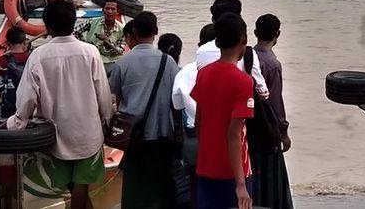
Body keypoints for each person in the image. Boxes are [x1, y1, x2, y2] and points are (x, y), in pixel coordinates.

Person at [8, 0, 112, 209]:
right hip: (88, 135)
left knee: (73, 189)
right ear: (74, 24)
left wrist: (16, 124)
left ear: (48, 27)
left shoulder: (38, 56)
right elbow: (103, 94)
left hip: (55, 137)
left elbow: (27, 98)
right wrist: (107, 120)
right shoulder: (90, 52)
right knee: (80, 188)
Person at [109, 11, 180, 209]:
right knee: (160, 185)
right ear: (156, 32)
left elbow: (117, 97)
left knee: (134, 186)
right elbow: (176, 98)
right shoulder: (169, 62)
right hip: (162, 134)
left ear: (134, 32)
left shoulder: (122, 63)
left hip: (133, 136)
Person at [192, 13, 255, 209]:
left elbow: (198, 123)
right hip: (233, 172)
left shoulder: (203, 73)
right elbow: (234, 136)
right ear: (242, 40)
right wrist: (241, 184)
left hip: (205, 168)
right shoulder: (243, 82)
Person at [250, 14, 294, 208]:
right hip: (267, 130)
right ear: (278, 34)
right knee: (271, 179)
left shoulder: (247, 57)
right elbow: (275, 102)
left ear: (255, 33)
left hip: (248, 126)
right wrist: (283, 132)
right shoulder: (272, 64)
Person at [172, 24, 218, 209]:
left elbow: (176, 104)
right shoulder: (234, 69)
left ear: (199, 44)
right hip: (224, 138)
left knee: (194, 183)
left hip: (193, 137)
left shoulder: (186, 72)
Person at [195, 0, 269, 98]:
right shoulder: (247, 53)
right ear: (240, 20)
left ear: (213, 21)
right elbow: (263, 92)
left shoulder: (201, 51)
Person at [75, 0, 125, 74]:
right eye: (107, 8)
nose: (109, 11)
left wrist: (107, 42)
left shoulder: (122, 29)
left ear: (117, 12)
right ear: (103, 10)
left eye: (113, 9)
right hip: (90, 58)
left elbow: (120, 51)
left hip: (110, 61)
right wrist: (84, 45)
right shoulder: (92, 22)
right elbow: (74, 32)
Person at [0, 27, 29, 118]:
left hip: (9, 110)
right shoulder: (33, 58)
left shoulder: (0, 60)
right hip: (30, 107)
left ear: (7, 43)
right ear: (24, 42)